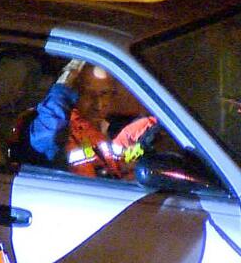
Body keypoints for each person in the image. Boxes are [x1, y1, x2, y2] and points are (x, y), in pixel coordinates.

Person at [28, 60, 157, 178]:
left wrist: (148, 134)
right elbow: (48, 135)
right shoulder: (63, 131)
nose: (98, 104)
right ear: (73, 94)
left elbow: (118, 163)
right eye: (88, 94)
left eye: (104, 93)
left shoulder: (104, 132)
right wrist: (64, 84)